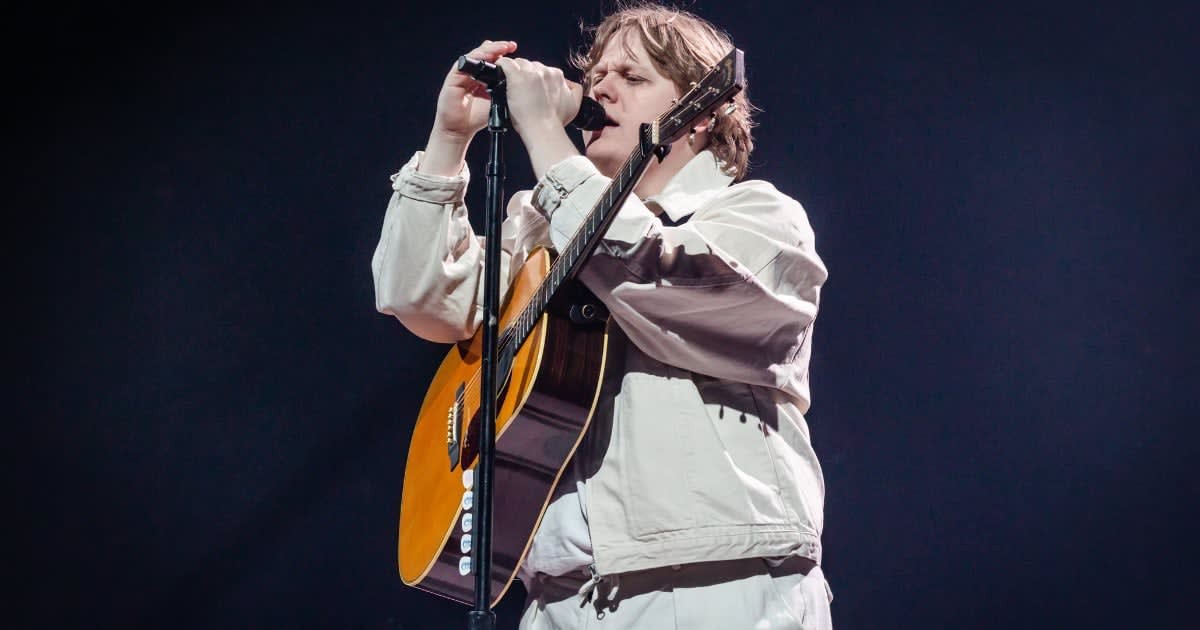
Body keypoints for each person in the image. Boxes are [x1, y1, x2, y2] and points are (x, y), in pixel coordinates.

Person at [372, 2, 832, 627]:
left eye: (634, 78)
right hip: (560, 601)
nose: (601, 90)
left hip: (715, 587)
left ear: (702, 115)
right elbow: (416, 294)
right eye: (597, 77)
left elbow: (654, 277)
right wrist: (448, 139)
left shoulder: (758, 218)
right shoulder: (541, 229)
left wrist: (544, 136)